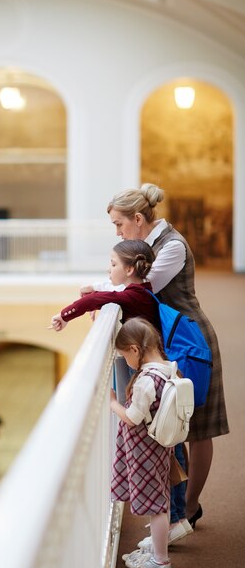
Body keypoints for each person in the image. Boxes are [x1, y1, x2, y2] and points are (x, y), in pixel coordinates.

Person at [84, 182, 229, 526]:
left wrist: (100, 293)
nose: (117, 232)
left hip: (192, 340)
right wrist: (101, 292)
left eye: (119, 224)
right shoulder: (147, 245)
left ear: (137, 218)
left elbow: (143, 286)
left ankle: (190, 508)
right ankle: (176, 509)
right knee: (171, 422)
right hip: (168, 341)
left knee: (198, 427)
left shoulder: (173, 246)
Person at [110, 317, 173, 568]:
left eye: (125, 356)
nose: (126, 362)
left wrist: (113, 404)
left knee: (156, 504)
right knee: (160, 498)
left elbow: (133, 417)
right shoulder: (167, 367)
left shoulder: (146, 380)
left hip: (145, 449)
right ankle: (158, 551)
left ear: (135, 350)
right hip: (159, 446)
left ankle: (160, 560)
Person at [50, 240, 160, 332]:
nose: (108, 269)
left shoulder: (133, 296)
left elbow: (93, 299)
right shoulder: (144, 290)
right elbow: (108, 296)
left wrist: (64, 316)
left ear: (129, 269)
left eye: (113, 264)